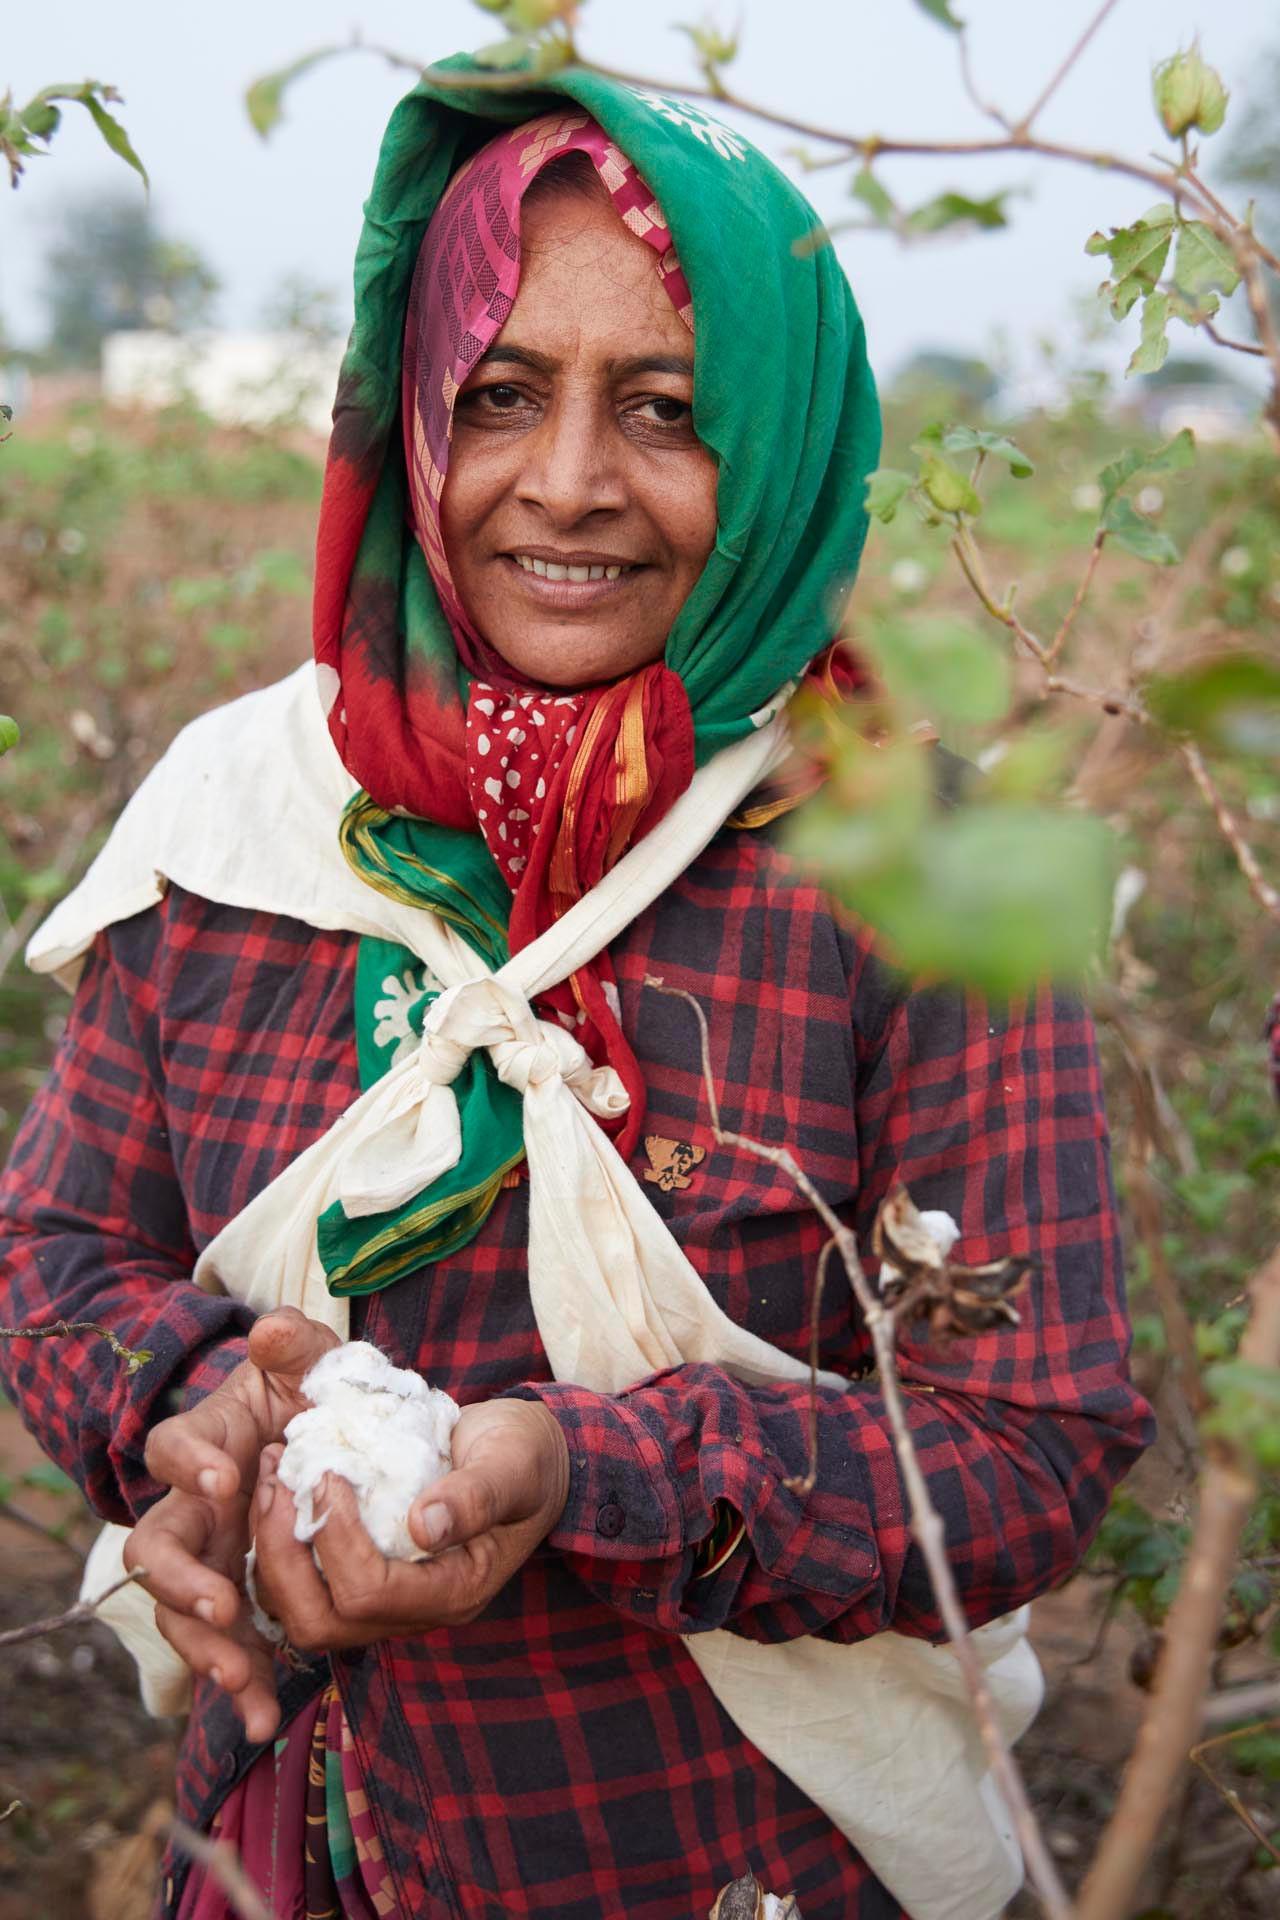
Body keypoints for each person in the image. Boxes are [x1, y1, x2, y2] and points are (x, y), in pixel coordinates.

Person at [0, 59, 1152, 1920]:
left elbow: (1026, 1443)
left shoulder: (918, 877)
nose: (568, 484)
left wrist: (580, 1474)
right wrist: (189, 1405)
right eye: (502, 394)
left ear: (775, 446)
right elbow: (50, 1253)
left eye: (669, 411)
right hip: (299, 1836)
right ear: (410, 426)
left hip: (718, 1856)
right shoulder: (242, 819)